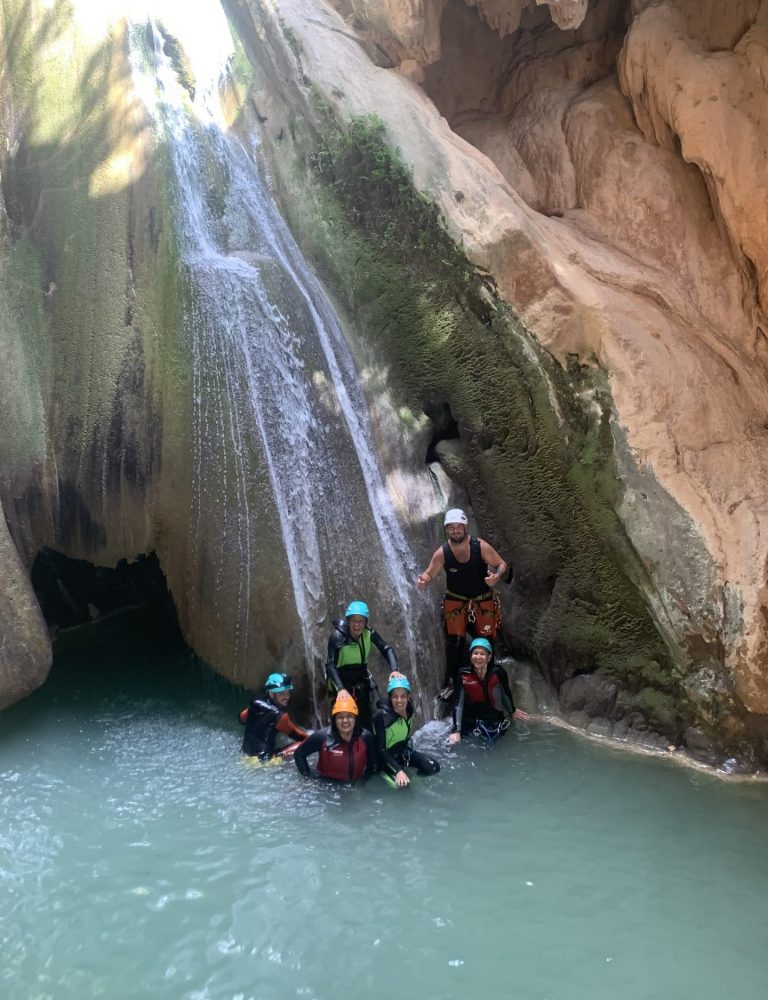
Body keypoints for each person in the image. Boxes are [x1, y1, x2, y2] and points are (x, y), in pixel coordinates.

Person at [416, 508, 507, 689]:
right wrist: (423, 580)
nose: (455, 531)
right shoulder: (442, 553)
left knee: (486, 640)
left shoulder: (480, 546)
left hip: (482, 601)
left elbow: (501, 564)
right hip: (456, 601)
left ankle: (489, 678)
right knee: (455, 643)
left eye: (459, 527)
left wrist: (497, 576)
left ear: (465, 527)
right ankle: (453, 682)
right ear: (447, 529)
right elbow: (429, 572)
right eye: (451, 528)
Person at [325, 600, 398, 731]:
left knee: (366, 721)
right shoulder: (336, 637)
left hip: (360, 679)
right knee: (344, 720)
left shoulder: (369, 633)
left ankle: (368, 745)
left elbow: (386, 648)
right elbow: (330, 665)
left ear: (365, 622)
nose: (357, 625)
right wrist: (341, 689)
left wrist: (394, 670)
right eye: (354, 621)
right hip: (341, 681)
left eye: (361, 621)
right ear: (348, 621)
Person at [448, 638, 529, 745]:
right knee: (451, 744)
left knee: (489, 747)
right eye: (475, 653)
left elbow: (506, 694)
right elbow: (458, 702)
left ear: (489, 657)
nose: (478, 657)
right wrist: (456, 730)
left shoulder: (498, 673)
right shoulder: (463, 674)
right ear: (470, 656)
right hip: (471, 719)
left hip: (493, 720)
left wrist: (512, 711)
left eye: (482, 654)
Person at [293, 690, 378, 782]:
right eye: (340, 717)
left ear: (355, 719)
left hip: (354, 785)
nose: (345, 721)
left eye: (349, 716)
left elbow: (373, 765)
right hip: (327, 786)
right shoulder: (322, 737)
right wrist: (308, 778)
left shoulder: (366, 737)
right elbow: (299, 754)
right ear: (334, 721)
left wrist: (363, 783)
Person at [372, 673, 440, 787]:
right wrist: (399, 770)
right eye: (395, 696)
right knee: (404, 786)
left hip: (403, 751)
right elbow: (381, 749)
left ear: (408, 697)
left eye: (403, 696)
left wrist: (395, 671)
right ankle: (395, 773)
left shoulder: (409, 708)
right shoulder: (381, 716)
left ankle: (411, 776)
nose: (399, 700)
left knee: (434, 767)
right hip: (385, 758)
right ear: (390, 698)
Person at [239, 673, 311, 759]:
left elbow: (241, 718)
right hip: (265, 761)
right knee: (306, 743)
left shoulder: (254, 703)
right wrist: (319, 739)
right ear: (272, 693)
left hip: (245, 755)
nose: (286, 697)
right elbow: (302, 738)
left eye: (288, 693)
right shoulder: (279, 716)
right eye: (281, 693)